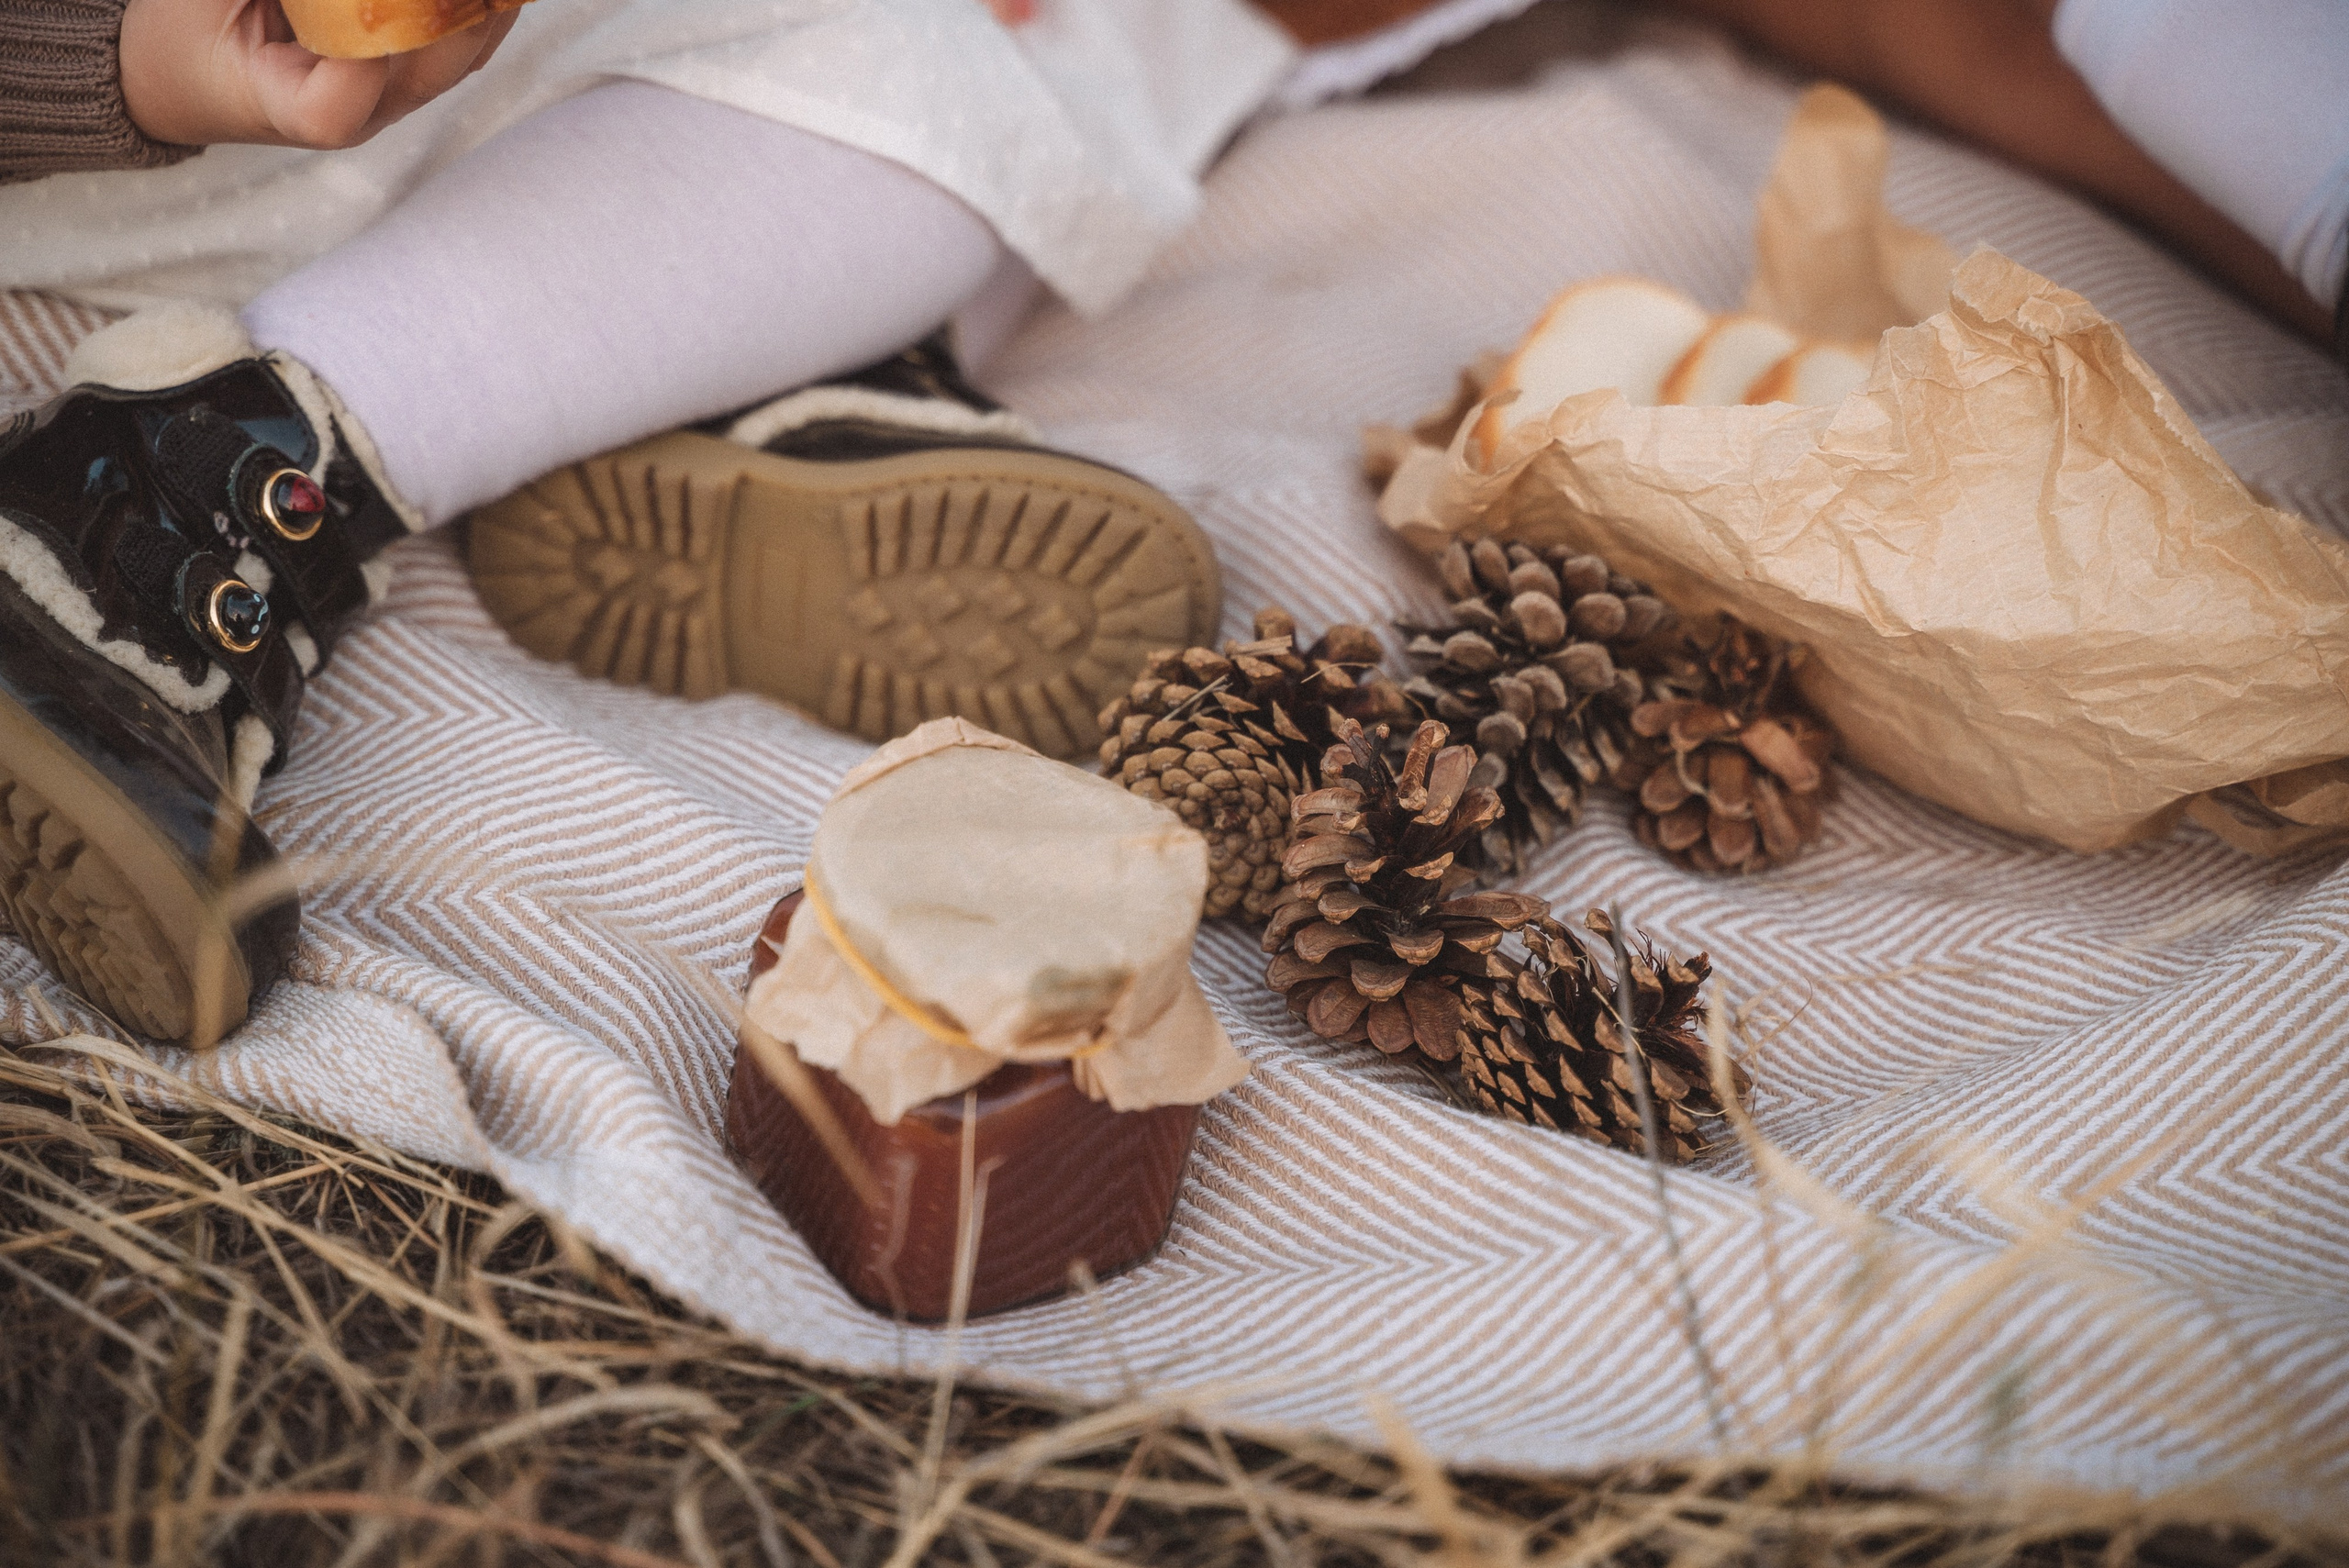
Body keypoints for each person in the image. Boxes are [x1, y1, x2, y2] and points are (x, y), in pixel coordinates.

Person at [1, 0, 2341, 1054]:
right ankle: (178, 492)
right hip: (219, 85)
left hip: (701, 106)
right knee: (971, 74)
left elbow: (2051, 35)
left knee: (1032, 101)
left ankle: (730, 380)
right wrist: (110, 50)